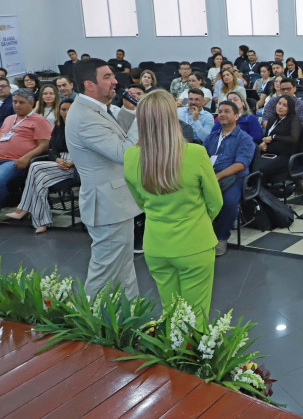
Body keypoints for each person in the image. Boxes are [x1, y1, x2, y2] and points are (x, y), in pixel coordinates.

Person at [123, 91, 222, 325]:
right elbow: (215, 202)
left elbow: (141, 202)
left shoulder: (130, 156)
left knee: (171, 313)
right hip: (195, 244)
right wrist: (196, 220)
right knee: (195, 317)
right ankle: (192, 361)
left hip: (156, 245)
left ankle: (171, 360)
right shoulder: (195, 153)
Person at [67, 59, 141, 298]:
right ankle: (91, 327)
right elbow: (123, 153)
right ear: (89, 84)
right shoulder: (85, 116)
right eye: (108, 77)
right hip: (106, 204)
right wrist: (146, 117)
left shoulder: (99, 108)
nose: (116, 81)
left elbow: (122, 130)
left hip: (116, 202)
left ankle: (129, 321)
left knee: (124, 266)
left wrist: (135, 111)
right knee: (105, 272)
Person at [6, 98, 75, 233]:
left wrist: (72, 162)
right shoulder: (58, 127)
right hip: (59, 163)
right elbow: (52, 149)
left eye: (69, 109)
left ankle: (24, 209)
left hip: (77, 165)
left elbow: (86, 151)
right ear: (59, 111)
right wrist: (57, 160)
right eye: (63, 109)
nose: (66, 112)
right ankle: (42, 221)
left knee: (35, 167)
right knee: (39, 179)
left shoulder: (82, 128)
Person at [203, 101, 255, 257]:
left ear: (236, 116)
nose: (222, 114)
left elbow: (241, 164)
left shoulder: (244, 139)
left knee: (228, 201)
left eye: (226, 111)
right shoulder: (212, 137)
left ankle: (221, 236)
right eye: (220, 111)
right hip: (209, 175)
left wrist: (218, 175)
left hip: (234, 178)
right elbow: (202, 157)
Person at [0, 90, 52, 208]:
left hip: (15, 161)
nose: (17, 105)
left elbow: (44, 145)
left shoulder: (39, 120)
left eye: (21, 102)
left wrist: (27, 157)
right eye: (15, 102)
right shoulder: (9, 118)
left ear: (31, 103)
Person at [257, 95, 302, 184]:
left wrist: (274, 137)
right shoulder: (272, 118)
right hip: (268, 153)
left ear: (290, 108)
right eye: (279, 103)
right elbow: (267, 136)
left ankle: (262, 194)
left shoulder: (294, 119)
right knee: (250, 165)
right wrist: (263, 144)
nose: (280, 107)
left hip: (285, 156)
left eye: (285, 105)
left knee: (260, 169)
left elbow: (293, 139)